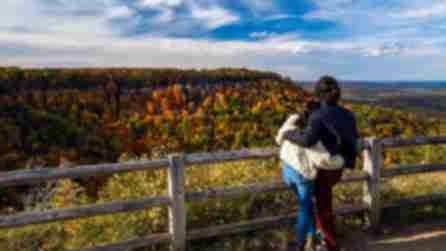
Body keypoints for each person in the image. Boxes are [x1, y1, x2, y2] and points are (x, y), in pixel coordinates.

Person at [283, 76, 359, 251]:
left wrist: (288, 135)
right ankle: (319, 240)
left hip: (323, 168)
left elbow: (307, 140)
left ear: (318, 93)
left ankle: (325, 243)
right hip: (338, 167)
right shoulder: (349, 114)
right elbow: (354, 138)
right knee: (321, 203)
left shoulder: (317, 116)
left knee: (317, 205)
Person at [276, 101, 345, 251]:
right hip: (302, 176)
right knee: (305, 209)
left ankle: (313, 237)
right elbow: (324, 160)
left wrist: (288, 131)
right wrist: (342, 159)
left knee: (308, 207)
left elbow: (278, 138)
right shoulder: (313, 136)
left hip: (287, 171)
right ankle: (300, 244)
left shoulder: (292, 123)